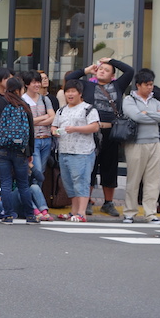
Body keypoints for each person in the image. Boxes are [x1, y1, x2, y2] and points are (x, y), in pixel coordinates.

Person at [65, 56, 134, 217]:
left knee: (110, 167)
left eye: (107, 70)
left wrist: (111, 60)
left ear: (112, 75)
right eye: (101, 68)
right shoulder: (88, 85)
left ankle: (108, 203)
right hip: (91, 131)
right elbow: (69, 79)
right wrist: (87, 70)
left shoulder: (118, 85)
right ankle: (86, 201)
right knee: (89, 166)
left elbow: (130, 71)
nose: (102, 71)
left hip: (111, 132)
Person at [0, 77, 38, 224]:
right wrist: (30, 152)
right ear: (19, 90)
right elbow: (31, 132)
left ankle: (8, 215)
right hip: (21, 150)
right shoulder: (25, 105)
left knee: (5, 183)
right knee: (23, 184)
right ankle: (30, 215)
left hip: (1, 148)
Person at [51, 80, 100, 222]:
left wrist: (75, 129)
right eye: (67, 91)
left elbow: (94, 127)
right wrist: (55, 132)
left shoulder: (88, 109)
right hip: (64, 150)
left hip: (82, 152)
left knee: (81, 181)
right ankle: (74, 211)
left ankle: (82, 212)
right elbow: (54, 126)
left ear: (80, 93)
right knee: (68, 182)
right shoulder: (61, 110)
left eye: (73, 91)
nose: (70, 94)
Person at [121, 69, 160, 224]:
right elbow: (136, 116)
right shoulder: (129, 100)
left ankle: (150, 213)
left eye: (151, 84)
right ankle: (129, 212)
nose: (150, 88)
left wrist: (147, 113)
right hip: (136, 143)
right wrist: (152, 115)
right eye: (147, 85)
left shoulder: (155, 101)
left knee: (153, 180)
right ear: (138, 85)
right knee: (134, 179)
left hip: (155, 142)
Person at [22, 71, 56, 180]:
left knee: (42, 171)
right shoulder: (22, 100)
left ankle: (35, 194)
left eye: (38, 82)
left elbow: (53, 117)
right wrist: (44, 117)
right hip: (33, 139)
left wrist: (33, 121)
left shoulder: (45, 99)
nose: (37, 85)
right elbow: (25, 121)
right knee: (37, 171)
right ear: (27, 84)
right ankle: (35, 195)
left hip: (46, 139)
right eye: (34, 82)